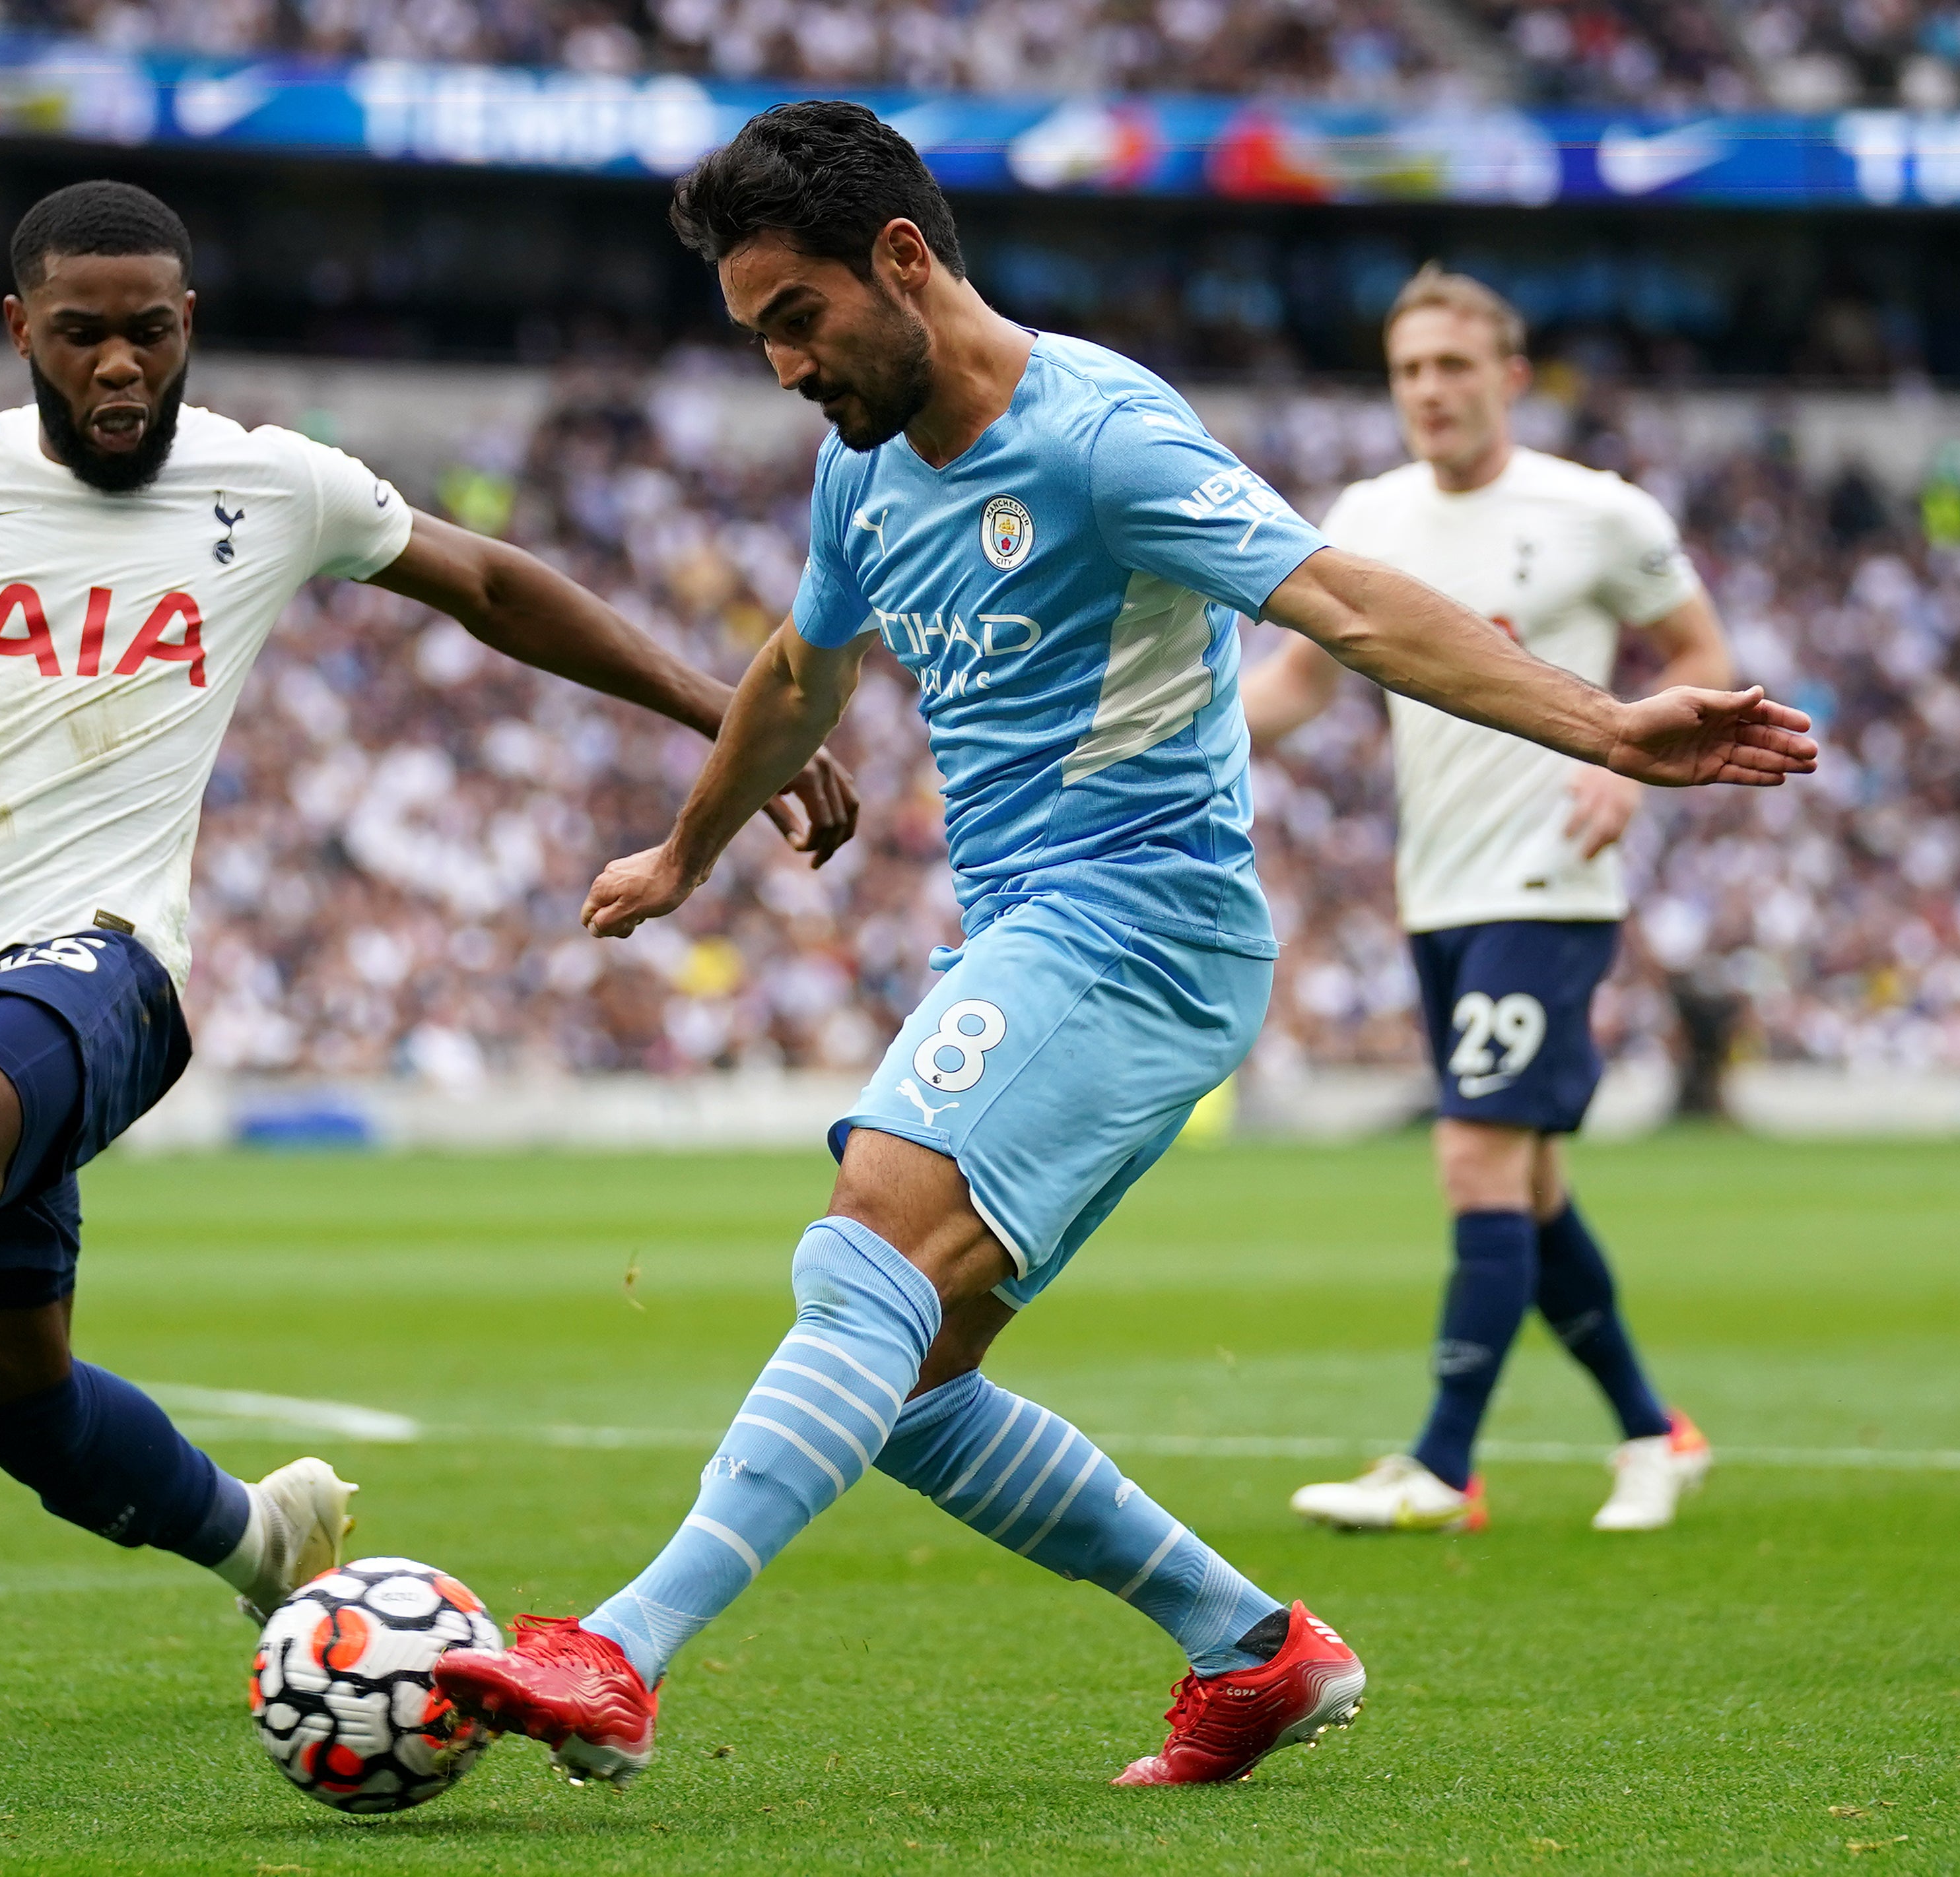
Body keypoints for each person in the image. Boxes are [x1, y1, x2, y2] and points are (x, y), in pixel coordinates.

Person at [431, 103, 1813, 1789]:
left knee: (859, 1240)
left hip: (1146, 915)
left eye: (794, 318)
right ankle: (1253, 1651)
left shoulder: (1099, 436)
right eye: (755, 334)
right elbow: (802, 670)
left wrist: (1601, 728)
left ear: (902, 261)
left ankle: (621, 1648)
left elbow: (1344, 602)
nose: (783, 363)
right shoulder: (858, 461)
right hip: (1030, 926)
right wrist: (684, 848)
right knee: (911, 1385)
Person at [0, 180, 858, 1666]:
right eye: (78, 337)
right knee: (11, 1401)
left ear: (190, 326)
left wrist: (728, 713)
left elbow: (494, 584)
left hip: (115, 961)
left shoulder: (276, 487)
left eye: (145, 334)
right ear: (19, 332)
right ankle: (266, 1543)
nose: (117, 367)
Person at [1240, 267, 1733, 1536]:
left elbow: (1698, 655)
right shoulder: (1370, 514)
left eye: (1453, 367)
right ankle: (1649, 1430)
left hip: (1550, 877)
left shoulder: (1595, 513)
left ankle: (1440, 1462)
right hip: (1437, 887)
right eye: (1408, 370)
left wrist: (1628, 778)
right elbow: (1299, 682)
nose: (1429, 392)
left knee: (1471, 1153)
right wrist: (1172, 737)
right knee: (1528, 1183)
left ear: (1507, 378)